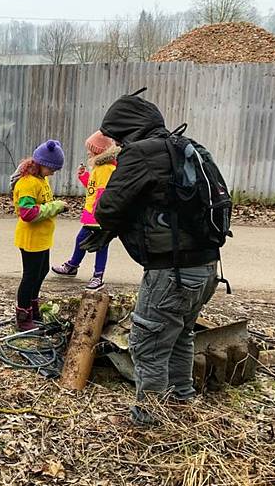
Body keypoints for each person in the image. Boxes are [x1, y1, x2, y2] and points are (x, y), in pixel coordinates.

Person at [84, 91, 220, 426]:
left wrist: (111, 225)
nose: (116, 144)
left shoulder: (142, 153)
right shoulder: (184, 146)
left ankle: (149, 422)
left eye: (116, 137)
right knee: (179, 335)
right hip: (207, 266)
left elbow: (108, 207)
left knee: (148, 345)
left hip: (171, 272)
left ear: (126, 131)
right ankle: (182, 403)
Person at [10, 139, 67, 331]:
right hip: (31, 239)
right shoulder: (28, 183)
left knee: (41, 272)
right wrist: (56, 207)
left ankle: (33, 309)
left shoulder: (42, 180)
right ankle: (23, 315)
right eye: (52, 169)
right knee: (30, 277)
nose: (53, 173)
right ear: (41, 164)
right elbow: (28, 213)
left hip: (43, 238)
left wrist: (53, 206)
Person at [51, 131, 119, 290]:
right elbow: (93, 188)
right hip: (93, 216)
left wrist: (98, 215)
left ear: (99, 151)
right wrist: (84, 177)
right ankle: (73, 265)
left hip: (99, 216)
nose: (88, 152)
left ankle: (98, 276)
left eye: (90, 149)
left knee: (101, 244)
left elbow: (102, 193)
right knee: (82, 239)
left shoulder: (106, 168)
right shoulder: (99, 167)